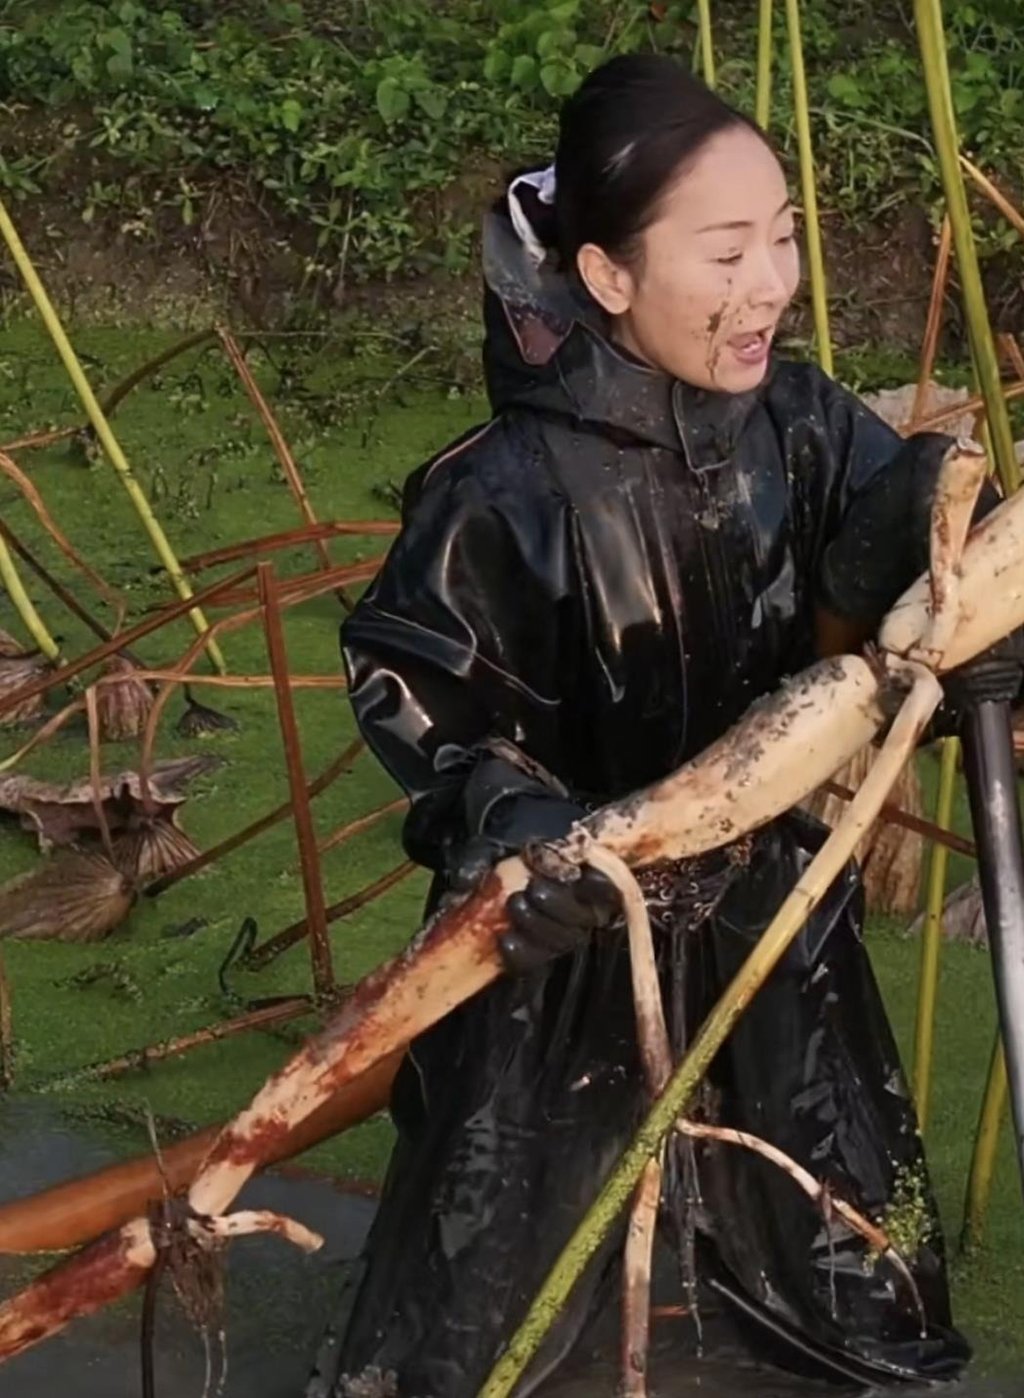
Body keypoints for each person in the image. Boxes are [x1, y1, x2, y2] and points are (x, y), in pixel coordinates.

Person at [312, 55, 1021, 1398]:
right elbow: (419, 691)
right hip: (570, 947)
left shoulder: (805, 427)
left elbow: (892, 636)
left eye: (785, 239)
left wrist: (974, 610)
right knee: (490, 1353)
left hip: (774, 935)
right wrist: (520, 828)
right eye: (727, 252)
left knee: (872, 1317)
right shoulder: (500, 489)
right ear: (608, 275)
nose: (771, 285)